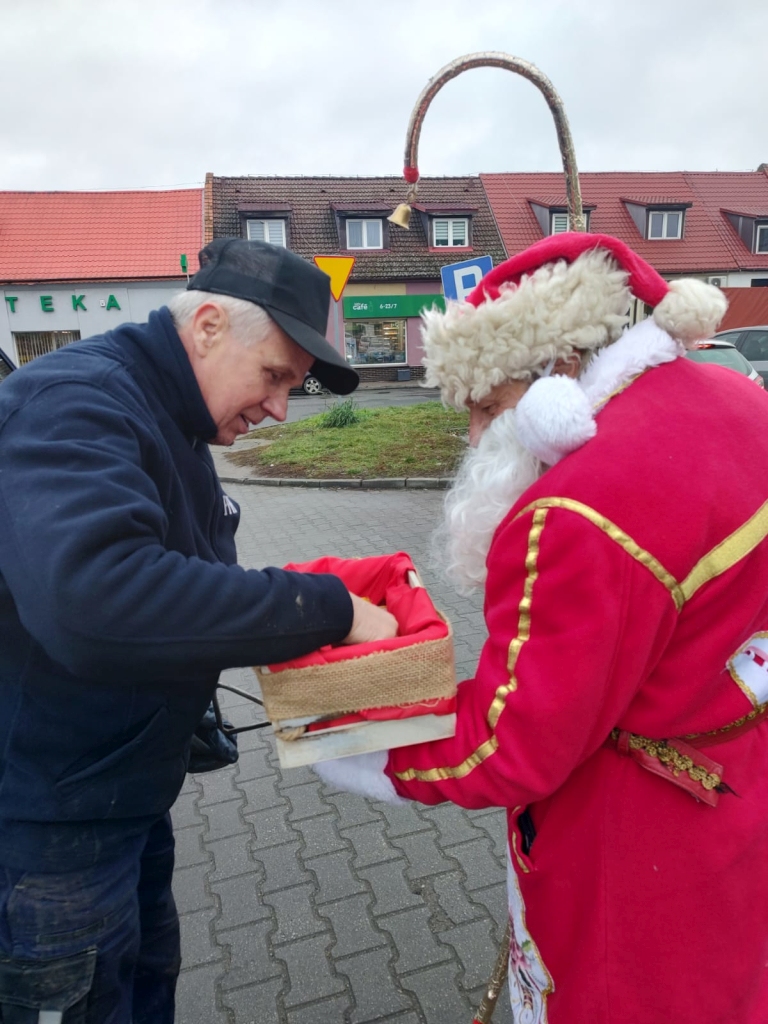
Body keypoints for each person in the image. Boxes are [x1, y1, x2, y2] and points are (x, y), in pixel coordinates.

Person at [316, 233, 768, 1023]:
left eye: (486, 409)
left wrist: (352, 739)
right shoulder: (746, 402)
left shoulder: (570, 511)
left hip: (632, 839)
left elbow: (509, 743)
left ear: (558, 372)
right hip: (738, 779)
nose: (476, 439)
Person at [0, 238, 397, 1023]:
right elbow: (98, 601)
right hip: (50, 830)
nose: (281, 406)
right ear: (209, 325)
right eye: (276, 375)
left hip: (119, 797)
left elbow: (175, 579)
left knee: (143, 989)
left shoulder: (172, 413)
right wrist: (327, 608)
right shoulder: (76, 404)